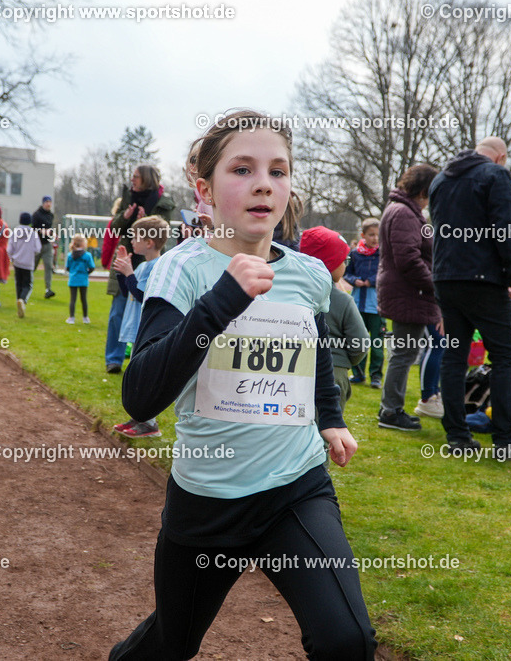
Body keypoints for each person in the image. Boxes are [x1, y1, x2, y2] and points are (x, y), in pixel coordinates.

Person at [109, 111, 376, 659]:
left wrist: (330, 418)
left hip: (295, 488)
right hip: (208, 501)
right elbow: (140, 395)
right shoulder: (180, 272)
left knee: (347, 642)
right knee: (171, 645)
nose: (263, 182)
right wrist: (222, 301)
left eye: (278, 170)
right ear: (205, 190)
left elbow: (317, 351)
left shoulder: (307, 274)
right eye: (243, 169)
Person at [429, 137, 511, 460]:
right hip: (483, 279)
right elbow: (505, 228)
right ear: (500, 157)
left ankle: (457, 436)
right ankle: (506, 439)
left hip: (446, 277)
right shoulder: (495, 175)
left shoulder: (439, 179)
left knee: (454, 357)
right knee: (504, 356)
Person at [377, 164, 445, 430]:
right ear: (424, 190)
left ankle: (392, 409)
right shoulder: (404, 213)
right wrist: (433, 285)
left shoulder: (403, 210)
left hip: (408, 291)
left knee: (405, 353)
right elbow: (408, 258)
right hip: (409, 292)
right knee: (404, 354)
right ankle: (391, 412)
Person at [104, 165, 175, 373]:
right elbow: (114, 228)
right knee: (118, 311)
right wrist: (126, 217)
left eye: (136, 177)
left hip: (146, 259)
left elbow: (162, 230)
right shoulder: (127, 198)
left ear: (146, 179)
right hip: (128, 256)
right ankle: (114, 360)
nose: (132, 180)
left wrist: (145, 217)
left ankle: (141, 362)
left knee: (144, 313)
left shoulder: (163, 203)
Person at [111, 216, 172, 438]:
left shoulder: (159, 266)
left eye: (136, 237)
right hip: (137, 327)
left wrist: (129, 273)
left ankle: (149, 423)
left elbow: (143, 295)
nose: (132, 240)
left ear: (149, 242)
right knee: (137, 373)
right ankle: (138, 418)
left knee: (144, 375)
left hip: (146, 328)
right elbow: (129, 291)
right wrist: (122, 272)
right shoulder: (145, 264)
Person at [300, 225, 370, 414]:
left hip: (295, 368)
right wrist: (344, 360)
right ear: (329, 263)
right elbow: (360, 343)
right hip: (333, 373)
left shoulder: (293, 294)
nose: (346, 265)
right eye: (344, 260)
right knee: (328, 427)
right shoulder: (342, 300)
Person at [345, 218, 383, 389]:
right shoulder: (354, 254)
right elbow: (347, 273)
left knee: (376, 343)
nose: (375, 238)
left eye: (378, 235)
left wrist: (371, 281)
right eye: (371, 235)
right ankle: (358, 373)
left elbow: (386, 274)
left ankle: (376, 375)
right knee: (357, 341)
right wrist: (355, 280)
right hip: (357, 305)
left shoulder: (383, 254)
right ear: (363, 235)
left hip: (376, 306)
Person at [8, 212, 41, 318]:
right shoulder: (33, 233)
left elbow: (9, 248)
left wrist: (12, 257)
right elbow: (37, 248)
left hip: (17, 262)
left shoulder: (15, 232)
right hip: (28, 262)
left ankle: (19, 301)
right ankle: (22, 300)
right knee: (28, 284)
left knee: (19, 283)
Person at [65, 234, 94, 324]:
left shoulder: (70, 255)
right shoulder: (87, 255)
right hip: (83, 279)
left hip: (73, 279)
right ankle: (85, 317)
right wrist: (86, 273)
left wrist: (73, 272)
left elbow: (67, 267)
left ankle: (71, 317)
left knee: (72, 299)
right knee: (83, 299)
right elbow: (92, 267)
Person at [32, 196, 56, 299]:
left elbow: (49, 228)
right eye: (47, 202)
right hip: (37, 244)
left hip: (47, 244)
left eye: (50, 202)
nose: (48, 204)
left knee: (48, 266)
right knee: (32, 267)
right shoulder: (36, 214)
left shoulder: (51, 215)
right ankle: (25, 284)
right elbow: (33, 228)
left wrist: (53, 234)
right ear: (43, 203)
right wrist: (41, 231)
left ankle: (48, 289)